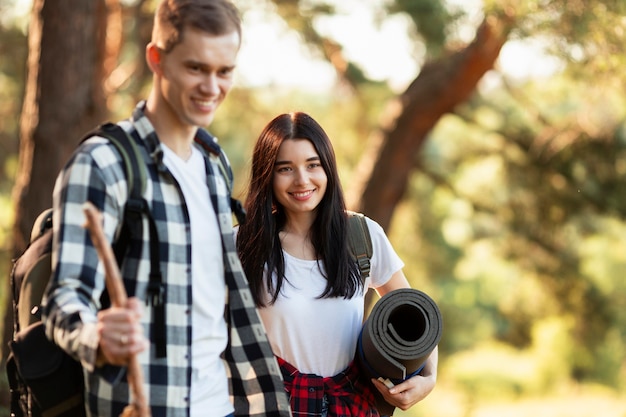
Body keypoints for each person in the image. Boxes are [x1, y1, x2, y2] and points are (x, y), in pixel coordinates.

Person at [42, 1, 290, 416]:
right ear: (157, 59)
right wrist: (97, 339)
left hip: (223, 406)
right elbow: (64, 299)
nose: (212, 87)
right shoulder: (103, 164)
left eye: (224, 71)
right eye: (196, 68)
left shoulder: (215, 165)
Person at [236, 111, 439, 416]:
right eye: (285, 168)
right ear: (267, 174)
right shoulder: (241, 243)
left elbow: (418, 318)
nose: (302, 180)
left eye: (312, 165)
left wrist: (428, 380)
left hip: (351, 407)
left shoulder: (362, 235)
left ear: (327, 167)